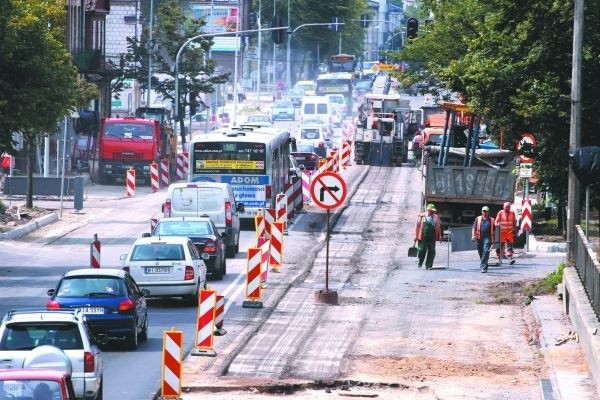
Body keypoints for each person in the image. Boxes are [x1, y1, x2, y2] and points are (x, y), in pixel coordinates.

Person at [414, 203, 442, 270]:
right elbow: (417, 226)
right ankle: (420, 262)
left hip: (432, 236)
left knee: (432, 250)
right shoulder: (421, 216)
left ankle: (428, 265)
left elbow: (438, 227)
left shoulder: (435, 217)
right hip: (423, 236)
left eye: (434, 211)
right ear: (428, 210)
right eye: (432, 210)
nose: (433, 212)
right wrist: (415, 235)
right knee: (422, 249)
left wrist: (440, 235)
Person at [472, 206, 496, 273]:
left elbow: (494, 230)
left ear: (488, 212)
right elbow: (474, 228)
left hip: (488, 238)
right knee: (481, 252)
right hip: (479, 238)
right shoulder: (478, 219)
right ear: (482, 212)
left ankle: (483, 267)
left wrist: (493, 239)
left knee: (485, 252)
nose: (485, 212)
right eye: (483, 211)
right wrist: (473, 235)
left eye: (486, 211)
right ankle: (485, 264)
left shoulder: (492, 220)